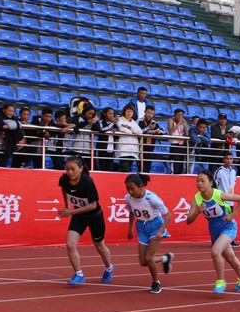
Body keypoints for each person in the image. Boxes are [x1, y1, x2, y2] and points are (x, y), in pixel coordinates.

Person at [187, 169, 240, 293]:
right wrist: (197, 212)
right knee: (230, 257)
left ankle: (220, 281)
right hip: (214, 230)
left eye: (202, 181)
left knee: (215, 252)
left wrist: (232, 214)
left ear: (211, 182)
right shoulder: (196, 199)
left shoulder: (218, 194)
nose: (199, 183)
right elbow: (188, 221)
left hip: (228, 226)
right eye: (197, 181)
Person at [57, 156, 114, 285]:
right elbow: (64, 189)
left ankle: (109, 268)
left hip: (95, 216)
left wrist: (71, 212)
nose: (70, 172)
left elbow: (93, 205)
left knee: (99, 246)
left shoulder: (87, 182)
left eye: (73, 169)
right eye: (67, 169)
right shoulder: (64, 180)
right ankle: (78, 274)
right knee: (70, 244)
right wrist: (67, 206)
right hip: (79, 216)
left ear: (81, 168)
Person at [125, 173, 174, 294]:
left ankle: (156, 283)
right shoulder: (128, 198)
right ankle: (165, 258)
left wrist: (161, 230)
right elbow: (131, 212)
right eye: (127, 188)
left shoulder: (152, 198)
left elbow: (168, 215)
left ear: (140, 187)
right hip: (141, 227)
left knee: (149, 258)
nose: (130, 191)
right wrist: (130, 229)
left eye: (132, 188)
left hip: (155, 225)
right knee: (143, 262)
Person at [215, 152, 240, 248]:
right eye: (227, 159)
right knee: (220, 221)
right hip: (221, 200)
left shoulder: (233, 171)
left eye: (231, 159)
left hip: (231, 200)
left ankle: (230, 240)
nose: (229, 161)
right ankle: (216, 241)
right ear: (223, 159)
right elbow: (214, 185)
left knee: (230, 221)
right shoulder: (219, 171)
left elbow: (233, 184)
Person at [115, 104, 143, 173]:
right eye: (127, 111)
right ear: (124, 112)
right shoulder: (120, 120)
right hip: (123, 148)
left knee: (129, 168)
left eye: (131, 111)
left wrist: (129, 127)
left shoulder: (134, 122)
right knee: (124, 168)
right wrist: (133, 132)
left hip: (133, 149)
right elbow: (122, 129)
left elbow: (140, 132)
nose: (129, 113)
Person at [93, 107, 116, 172]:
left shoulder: (115, 124)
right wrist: (112, 124)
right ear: (104, 114)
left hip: (111, 148)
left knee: (110, 168)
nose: (111, 115)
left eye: (112, 114)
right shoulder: (100, 122)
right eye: (109, 113)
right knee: (101, 167)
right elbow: (102, 129)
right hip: (102, 148)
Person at [167, 108, 189, 175]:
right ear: (175, 115)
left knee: (181, 164)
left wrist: (185, 124)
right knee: (175, 164)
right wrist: (178, 124)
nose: (180, 116)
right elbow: (171, 132)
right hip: (174, 144)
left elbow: (187, 134)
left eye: (181, 115)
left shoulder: (182, 122)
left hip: (181, 144)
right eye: (179, 115)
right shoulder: (171, 120)